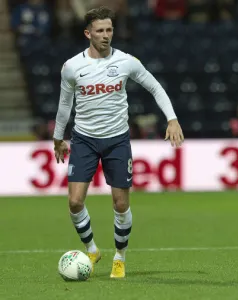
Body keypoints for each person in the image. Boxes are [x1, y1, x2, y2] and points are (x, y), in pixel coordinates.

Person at [52, 6, 184, 279]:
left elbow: (155, 87)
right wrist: (58, 138)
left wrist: (172, 119)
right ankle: (91, 248)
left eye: (109, 29)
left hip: (117, 141)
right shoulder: (72, 67)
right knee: (75, 202)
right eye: (99, 30)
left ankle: (120, 256)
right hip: (84, 140)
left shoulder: (126, 62)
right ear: (88, 33)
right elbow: (65, 105)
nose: (106, 35)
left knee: (120, 204)